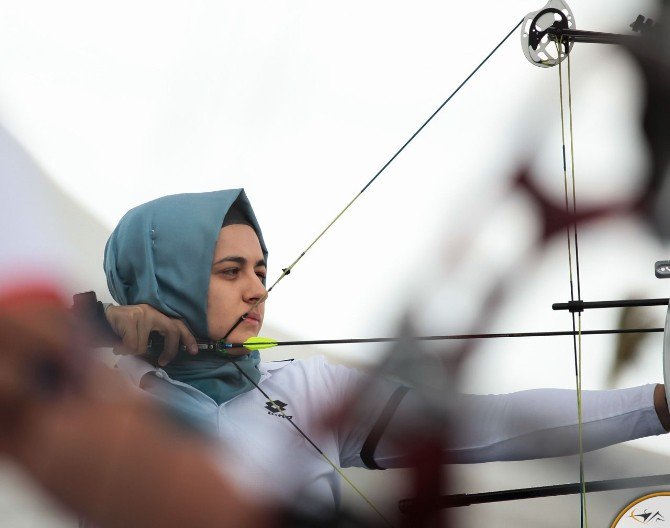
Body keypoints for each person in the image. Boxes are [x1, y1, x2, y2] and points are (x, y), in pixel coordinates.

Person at [96, 189, 669, 517]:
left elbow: (485, 422)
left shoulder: (305, 387)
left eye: (261, 270)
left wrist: (656, 405)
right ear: (161, 279)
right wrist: (97, 325)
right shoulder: (96, 391)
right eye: (229, 271)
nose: (257, 290)